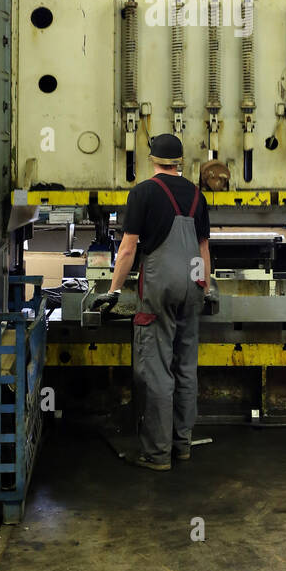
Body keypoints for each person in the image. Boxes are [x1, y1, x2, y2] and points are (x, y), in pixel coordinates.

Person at [109, 133, 211, 471]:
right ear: (179, 161)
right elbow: (203, 248)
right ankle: (182, 446)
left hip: (160, 287)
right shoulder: (198, 195)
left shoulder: (143, 192)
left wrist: (113, 290)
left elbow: (128, 249)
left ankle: (157, 454)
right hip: (193, 283)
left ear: (152, 160)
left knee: (156, 369)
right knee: (185, 367)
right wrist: (204, 287)